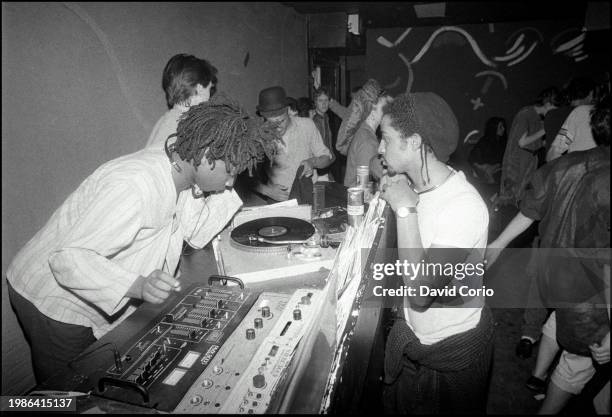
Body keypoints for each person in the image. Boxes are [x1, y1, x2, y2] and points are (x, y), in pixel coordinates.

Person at [6, 93, 280, 384]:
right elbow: (68, 258)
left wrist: (224, 191)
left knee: (98, 376)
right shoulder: (134, 184)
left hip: (85, 280)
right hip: (51, 296)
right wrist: (139, 284)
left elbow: (196, 236)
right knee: (69, 391)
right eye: (230, 173)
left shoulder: (184, 171)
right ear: (206, 156)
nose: (229, 182)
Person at [486, 96, 610, 413]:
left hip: (552, 274)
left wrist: (498, 243)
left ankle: (538, 377)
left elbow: (530, 211)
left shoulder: (564, 164)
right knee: (577, 365)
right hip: (591, 293)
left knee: (557, 323)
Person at [379, 92, 494, 414]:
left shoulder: (463, 206)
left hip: (450, 353)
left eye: (386, 139)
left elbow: (420, 293)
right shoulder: (418, 188)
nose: (380, 148)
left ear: (414, 142)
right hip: (419, 341)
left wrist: (404, 209)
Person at [254, 86, 333, 202]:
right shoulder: (258, 136)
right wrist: (267, 190)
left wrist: (312, 162)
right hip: (278, 201)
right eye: (272, 124)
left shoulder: (307, 125)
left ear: (287, 111)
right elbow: (243, 179)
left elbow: (327, 158)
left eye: (281, 121)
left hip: (309, 195)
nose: (278, 127)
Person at [498, 87, 558, 208]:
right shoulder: (525, 114)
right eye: (554, 108)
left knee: (520, 198)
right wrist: (544, 130)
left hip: (529, 162)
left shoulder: (537, 117)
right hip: (517, 162)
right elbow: (522, 142)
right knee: (509, 198)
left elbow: (533, 142)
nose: (555, 112)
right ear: (548, 104)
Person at [145, 53, 217, 149]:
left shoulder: (169, 120)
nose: (209, 97)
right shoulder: (180, 125)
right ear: (199, 88)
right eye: (209, 89)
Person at [344, 89, 390, 187]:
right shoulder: (367, 141)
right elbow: (364, 185)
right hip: (358, 199)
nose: (387, 112)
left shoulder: (365, 132)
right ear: (372, 112)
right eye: (384, 109)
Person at [543, 76, 595, 158]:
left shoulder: (552, 115)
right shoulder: (585, 113)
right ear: (591, 94)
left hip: (561, 167)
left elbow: (553, 153)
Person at [469, 117, 507, 185]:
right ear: (494, 128)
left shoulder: (504, 142)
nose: (503, 129)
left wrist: (495, 166)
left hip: (498, 170)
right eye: (500, 127)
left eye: (503, 126)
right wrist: (482, 167)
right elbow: (472, 158)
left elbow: (505, 159)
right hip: (483, 171)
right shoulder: (484, 141)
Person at [311, 88, 337, 180]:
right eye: (320, 100)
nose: (324, 103)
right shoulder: (315, 121)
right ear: (315, 102)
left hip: (327, 164)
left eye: (326, 100)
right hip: (319, 166)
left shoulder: (325, 117)